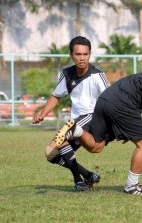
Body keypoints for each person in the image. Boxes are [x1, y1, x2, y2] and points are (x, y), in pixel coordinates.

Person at [51, 50, 142, 195]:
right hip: (122, 103)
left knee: (96, 146)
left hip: (105, 100)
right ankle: (132, 186)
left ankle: (77, 130)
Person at [32, 36, 110, 191]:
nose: (82, 58)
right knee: (51, 154)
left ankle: (78, 182)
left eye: (85, 54)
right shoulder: (66, 74)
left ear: (90, 54)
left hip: (93, 118)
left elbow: (111, 99)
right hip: (75, 121)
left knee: (61, 139)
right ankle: (88, 175)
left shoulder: (98, 75)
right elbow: (56, 96)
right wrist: (43, 113)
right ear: (71, 55)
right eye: (78, 54)